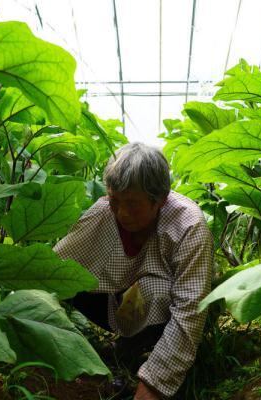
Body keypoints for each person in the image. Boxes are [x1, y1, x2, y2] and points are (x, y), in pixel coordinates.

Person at [54, 142, 213, 399]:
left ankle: (144, 350)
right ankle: (127, 346)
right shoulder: (103, 211)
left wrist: (154, 384)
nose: (122, 213)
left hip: (164, 312)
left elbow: (190, 311)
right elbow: (54, 267)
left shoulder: (188, 226)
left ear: (160, 199)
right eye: (115, 201)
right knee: (68, 278)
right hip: (114, 303)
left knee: (157, 291)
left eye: (133, 204)